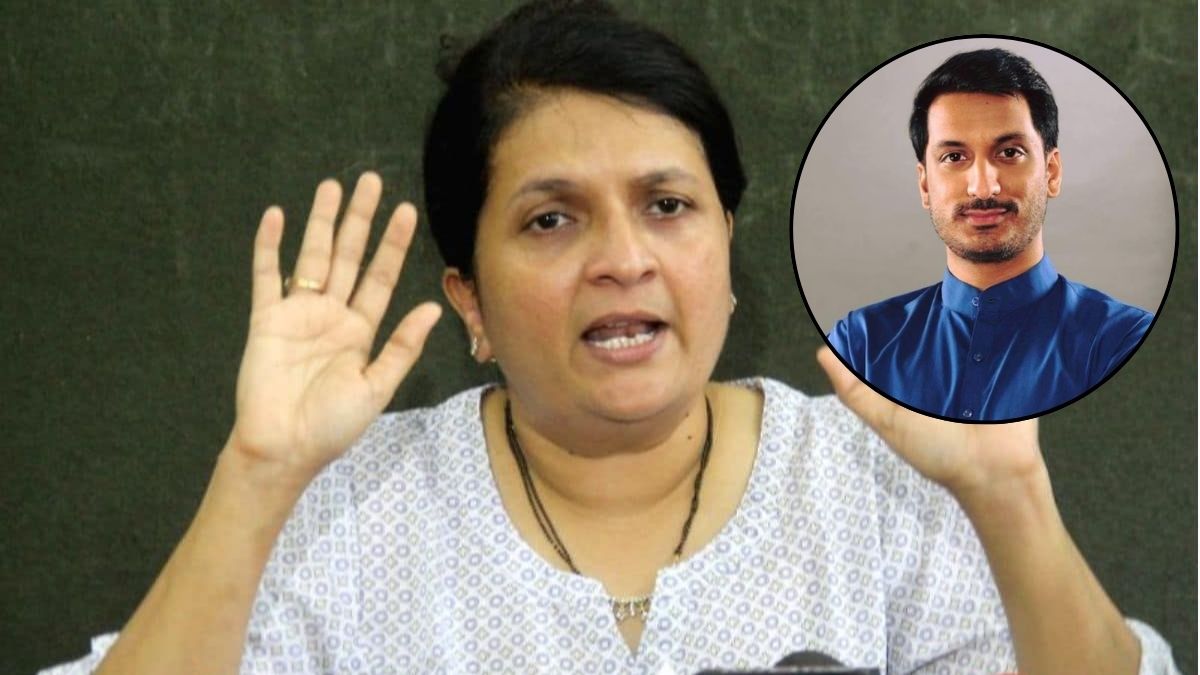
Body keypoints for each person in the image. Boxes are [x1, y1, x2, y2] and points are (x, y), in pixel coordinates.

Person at [43, 3, 1178, 674]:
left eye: (667, 205)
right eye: (551, 219)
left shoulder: (876, 478)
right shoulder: (345, 508)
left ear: (724, 251)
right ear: (469, 299)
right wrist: (257, 477)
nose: (623, 258)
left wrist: (1008, 494)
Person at [825, 48, 1154, 422]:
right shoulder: (862, 346)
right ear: (925, 185)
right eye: (954, 157)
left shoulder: (1122, 342)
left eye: (1009, 152)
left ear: (1051, 172)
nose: (983, 188)